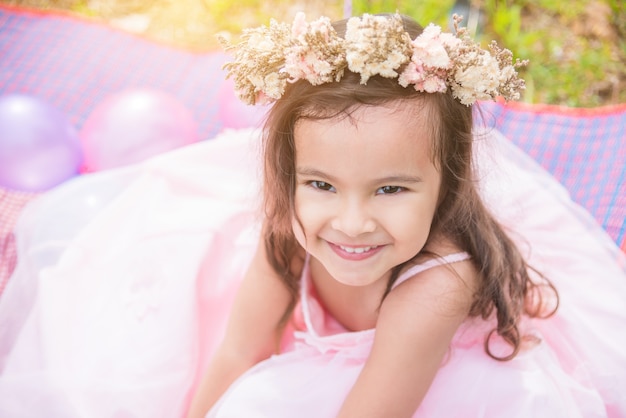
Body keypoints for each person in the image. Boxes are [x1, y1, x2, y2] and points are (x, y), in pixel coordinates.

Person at [0, 12, 625, 418]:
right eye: (322, 183)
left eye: (390, 190)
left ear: (448, 183)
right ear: (287, 176)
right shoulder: (288, 234)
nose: (351, 222)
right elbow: (237, 352)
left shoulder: (437, 284)